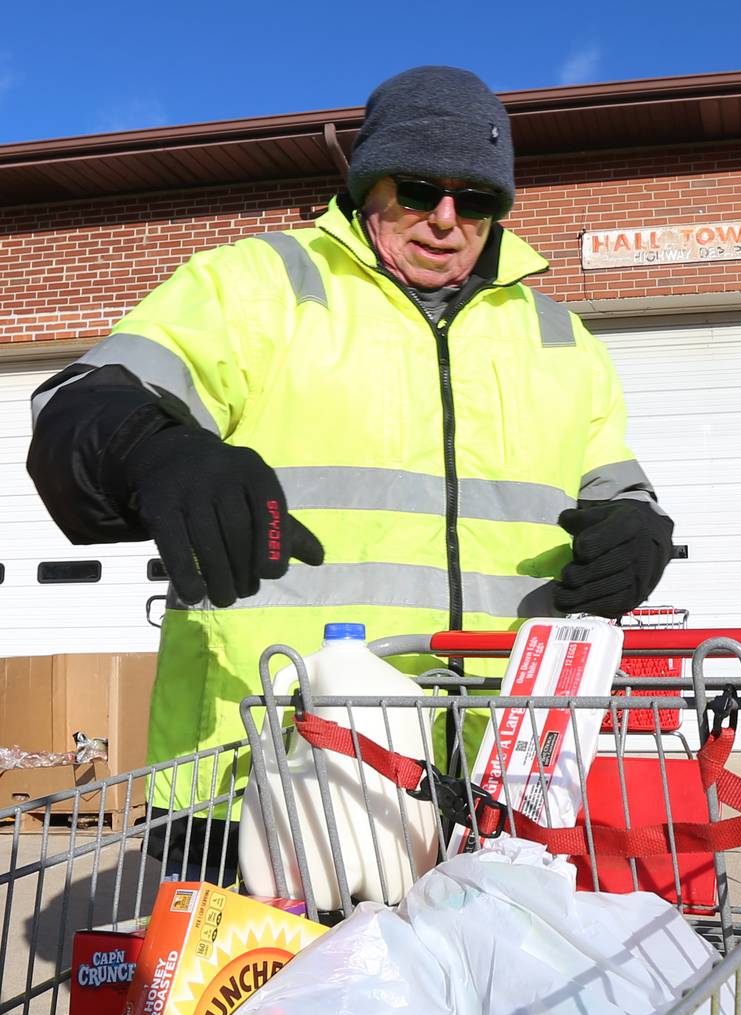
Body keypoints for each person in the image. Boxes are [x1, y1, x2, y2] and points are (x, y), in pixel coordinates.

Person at [27, 66, 673, 871]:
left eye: (474, 199)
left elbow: (616, 483)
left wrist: (638, 533)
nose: (446, 220)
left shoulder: (558, 338)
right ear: (370, 185)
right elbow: (80, 406)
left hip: (493, 787)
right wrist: (154, 448)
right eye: (417, 190)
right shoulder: (260, 286)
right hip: (263, 774)